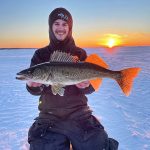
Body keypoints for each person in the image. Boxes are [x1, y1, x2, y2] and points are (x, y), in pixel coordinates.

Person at [26, 7, 119, 150]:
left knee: (97, 145)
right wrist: (33, 86)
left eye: (65, 24)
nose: (60, 28)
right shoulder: (40, 54)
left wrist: (87, 85)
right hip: (49, 115)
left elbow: (90, 88)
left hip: (80, 112)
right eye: (56, 23)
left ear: (70, 28)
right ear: (51, 27)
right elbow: (35, 90)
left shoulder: (79, 53)